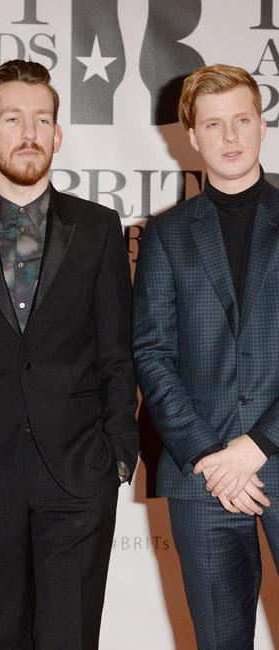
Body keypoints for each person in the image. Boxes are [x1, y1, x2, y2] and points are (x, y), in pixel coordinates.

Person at [0, 59, 138, 650]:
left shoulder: (99, 227)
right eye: (13, 119)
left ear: (58, 134)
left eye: (42, 120)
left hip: (79, 472)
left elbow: (117, 351)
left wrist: (119, 454)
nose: (29, 133)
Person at [133, 63, 279, 650]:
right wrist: (209, 456)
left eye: (241, 119)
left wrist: (258, 444)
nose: (230, 136)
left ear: (262, 125)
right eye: (214, 124)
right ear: (192, 136)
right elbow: (151, 352)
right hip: (203, 477)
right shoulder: (165, 234)